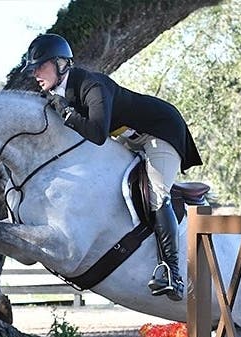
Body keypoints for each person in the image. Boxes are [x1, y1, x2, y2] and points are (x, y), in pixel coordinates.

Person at [22, 33, 202, 302]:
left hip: (160, 131)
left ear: (61, 64)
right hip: (129, 137)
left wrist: (68, 114)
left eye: (41, 66)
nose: (35, 73)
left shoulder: (92, 85)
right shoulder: (58, 93)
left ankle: (171, 272)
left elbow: (96, 134)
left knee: (156, 194)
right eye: (33, 68)